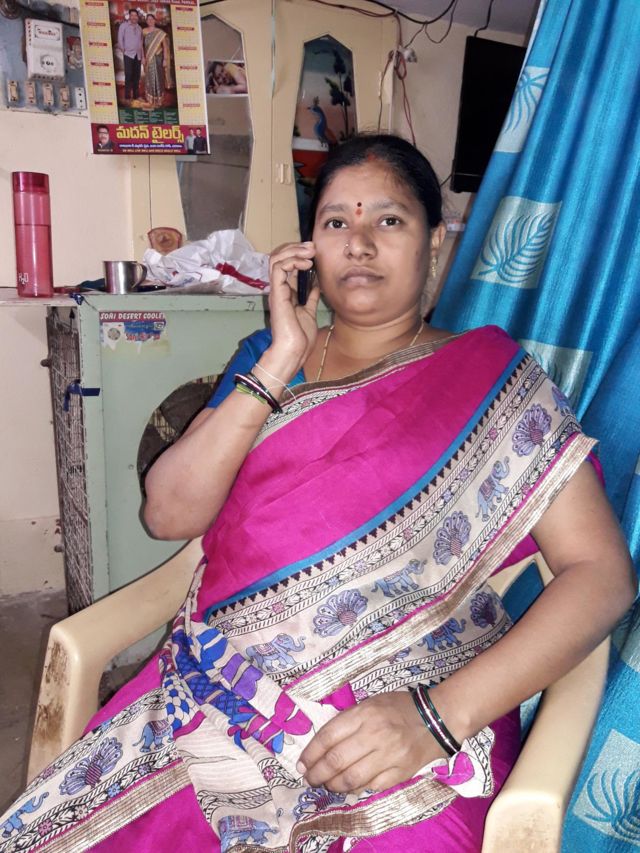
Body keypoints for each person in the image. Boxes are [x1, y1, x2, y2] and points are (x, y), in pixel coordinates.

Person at [1, 134, 635, 852]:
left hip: (414, 711)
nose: (358, 243)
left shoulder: (492, 382)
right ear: (310, 249)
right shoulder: (269, 364)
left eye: (388, 220)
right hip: (219, 696)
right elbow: (168, 512)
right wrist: (279, 360)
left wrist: (437, 718)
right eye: (336, 222)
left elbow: (602, 574)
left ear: (434, 244)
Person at [142, 13, 171, 106]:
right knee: (149, 78)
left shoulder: (160, 33)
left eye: (151, 19)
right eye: (148, 19)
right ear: (146, 21)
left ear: (155, 20)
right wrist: (143, 57)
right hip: (148, 58)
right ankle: (150, 98)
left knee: (159, 77)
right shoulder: (143, 31)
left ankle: (158, 98)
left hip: (159, 58)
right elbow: (140, 45)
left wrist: (165, 59)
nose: (150, 21)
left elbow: (165, 47)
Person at [117, 9, 143, 103]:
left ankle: (136, 96)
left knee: (137, 76)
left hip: (138, 55)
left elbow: (141, 42)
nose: (134, 17)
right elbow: (120, 39)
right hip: (128, 54)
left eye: (135, 15)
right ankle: (127, 97)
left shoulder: (139, 28)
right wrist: (123, 50)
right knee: (128, 75)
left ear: (137, 17)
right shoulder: (123, 26)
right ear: (129, 16)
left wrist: (142, 55)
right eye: (132, 15)